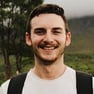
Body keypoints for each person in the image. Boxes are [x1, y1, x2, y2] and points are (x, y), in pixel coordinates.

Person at [0, 3, 94, 94]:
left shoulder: (90, 87)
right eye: (40, 32)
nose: (48, 39)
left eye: (56, 31)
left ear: (67, 38)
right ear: (28, 38)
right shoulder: (8, 89)